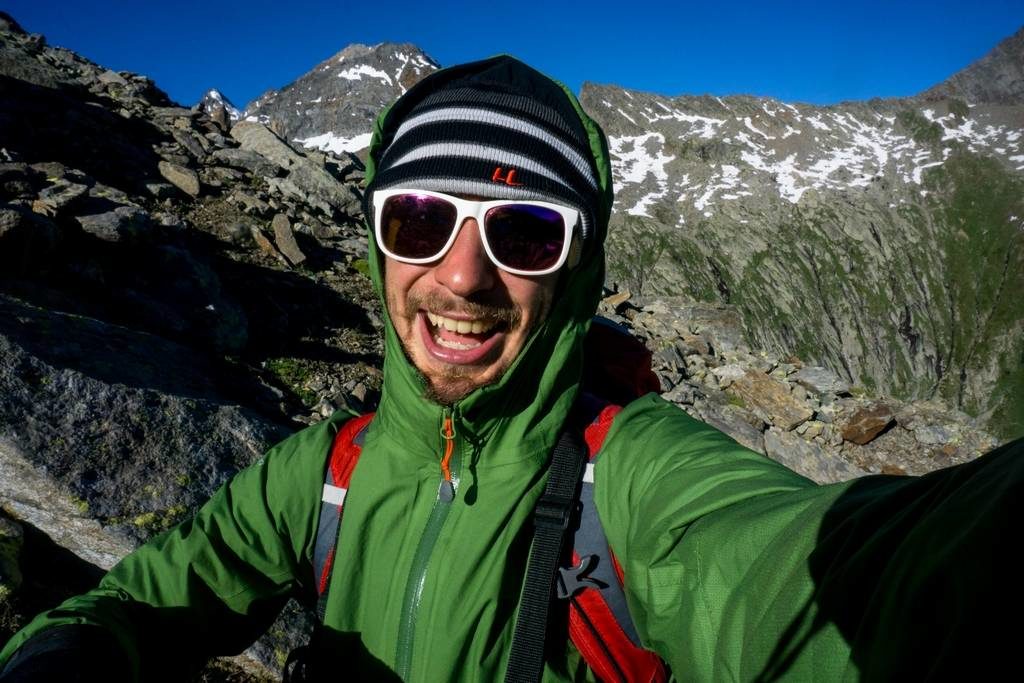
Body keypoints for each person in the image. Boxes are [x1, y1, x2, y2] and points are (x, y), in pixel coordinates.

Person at [1, 55, 1021, 682]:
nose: (460, 276)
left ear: (576, 271)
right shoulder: (325, 471)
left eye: (527, 233)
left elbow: (824, 575)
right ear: (376, 243)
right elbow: (139, 606)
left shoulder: (630, 476)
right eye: (418, 218)